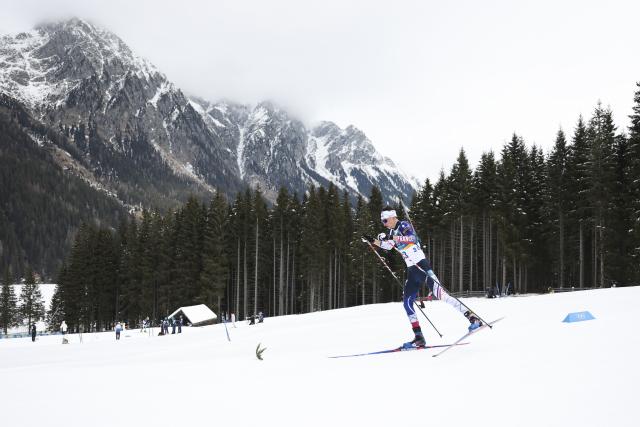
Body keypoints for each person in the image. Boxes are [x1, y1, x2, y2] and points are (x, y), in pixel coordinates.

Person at [362, 206, 482, 349]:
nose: (384, 223)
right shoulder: (392, 231)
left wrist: (392, 237)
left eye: (386, 220)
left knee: (441, 295)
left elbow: (412, 238)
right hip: (412, 271)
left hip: (421, 266)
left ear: (393, 217)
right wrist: (372, 240)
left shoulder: (403, 225)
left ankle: (473, 318)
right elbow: (387, 247)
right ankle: (419, 337)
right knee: (407, 303)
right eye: (382, 221)